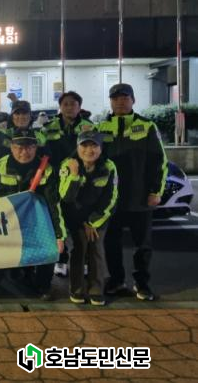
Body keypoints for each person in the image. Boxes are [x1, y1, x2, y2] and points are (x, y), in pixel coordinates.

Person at [97, 83, 167, 301]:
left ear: (133, 100)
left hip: (140, 197)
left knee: (142, 244)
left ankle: (142, 284)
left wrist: (155, 191)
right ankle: (116, 281)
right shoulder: (100, 128)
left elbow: (159, 161)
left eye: (125, 98)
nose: (120, 102)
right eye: (115, 98)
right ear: (110, 101)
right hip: (111, 199)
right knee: (111, 242)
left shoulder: (146, 126)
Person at [0, 128, 65, 300]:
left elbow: (54, 204)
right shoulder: (0, 166)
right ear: (11, 147)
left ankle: (43, 286)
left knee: (49, 246)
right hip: (9, 220)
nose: (24, 152)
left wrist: (59, 235)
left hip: (37, 222)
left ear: (36, 147)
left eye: (29, 147)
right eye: (19, 147)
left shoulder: (46, 169)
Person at [59, 131, 118, 306]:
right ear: (77, 147)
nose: (89, 150)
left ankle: (96, 290)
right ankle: (76, 289)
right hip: (75, 217)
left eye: (94, 146)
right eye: (84, 145)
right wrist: (74, 175)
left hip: (98, 217)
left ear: (101, 148)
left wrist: (92, 222)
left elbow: (111, 198)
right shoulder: (68, 164)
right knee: (78, 249)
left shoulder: (109, 166)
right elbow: (66, 197)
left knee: (96, 249)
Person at [42, 91, 94, 278]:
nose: (69, 107)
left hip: (81, 181)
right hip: (56, 181)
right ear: (60, 107)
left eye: (73, 104)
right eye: (65, 104)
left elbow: (96, 152)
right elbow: (42, 152)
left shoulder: (89, 127)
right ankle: (61, 259)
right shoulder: (48, 128)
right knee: (58, 221)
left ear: (79, 106)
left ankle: (84, 261)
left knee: (80, 223)